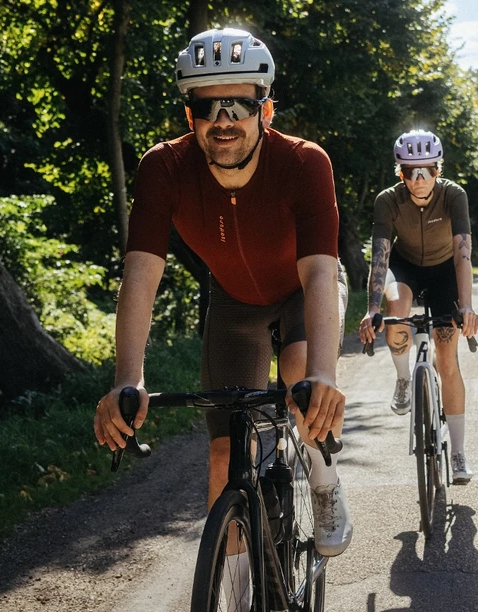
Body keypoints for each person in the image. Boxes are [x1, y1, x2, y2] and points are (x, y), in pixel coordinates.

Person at [92, 28, 354, 584]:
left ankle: (325, 484)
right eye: (208, 106)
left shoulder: (305, 163)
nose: (224, 118)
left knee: (301, 376)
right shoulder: (163, 168)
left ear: (267, 108)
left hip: (304, 293)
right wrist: (127, 378)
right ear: (190, 116)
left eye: (238, 103)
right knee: (222, 458)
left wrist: (327, 375)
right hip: (234, 303)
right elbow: (142, 272)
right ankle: (234, 587)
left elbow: (319, 271)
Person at [358, 130, 478, 483]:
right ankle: (402, 379)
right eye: (411, 172)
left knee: (446, 357)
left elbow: (463, 253)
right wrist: (371, 308)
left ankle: (457, 452)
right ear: (401, 174)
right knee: (397, 312)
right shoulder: (387, 201)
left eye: (426, 170)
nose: (419, 179)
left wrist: (467, 306)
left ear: (438, 170)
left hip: (445, 271)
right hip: (405, 266)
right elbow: (379, 257)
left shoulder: (454, 195)